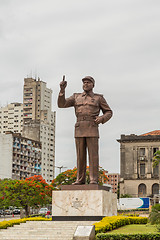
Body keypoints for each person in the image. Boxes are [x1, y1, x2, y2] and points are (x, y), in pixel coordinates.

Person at [58, 76, 113, 184]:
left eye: (88, 82)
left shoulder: (99, 98)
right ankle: (80, 179)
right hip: (79, 128)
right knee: (80, 156)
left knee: (93, 156)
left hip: (92, 127)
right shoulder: (76, 97)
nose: (86, 84)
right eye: (84, 82)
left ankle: (93, 179)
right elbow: (62, 104)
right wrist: (62, 90)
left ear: (93, 84)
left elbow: (109, 112)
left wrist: (101, 118)